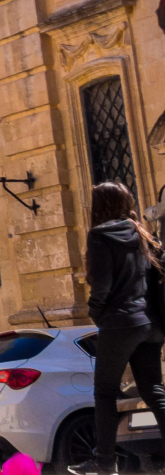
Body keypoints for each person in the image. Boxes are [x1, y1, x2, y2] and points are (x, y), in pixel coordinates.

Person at [74, 182, 165, 475]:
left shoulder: (99, 235)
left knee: (105, 393)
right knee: (154, 391)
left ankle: (104, 463)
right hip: (150, 325)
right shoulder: (143, 235)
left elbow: (101, 285)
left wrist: (96, 312)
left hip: (119, 323)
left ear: (100, 206)